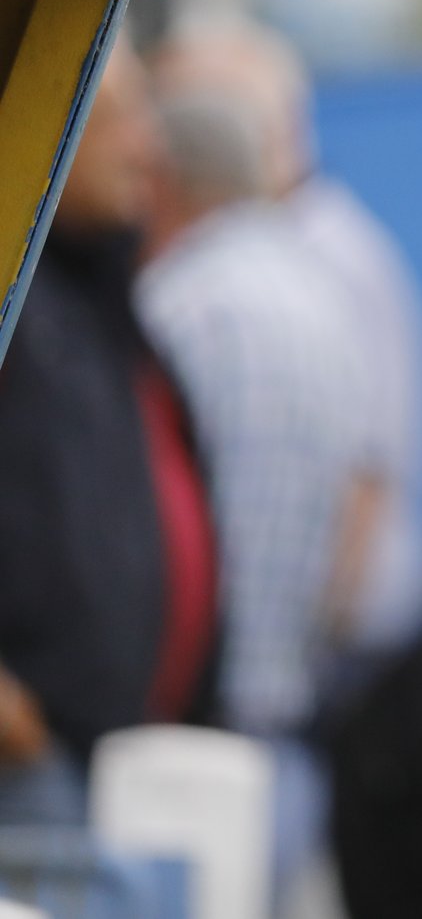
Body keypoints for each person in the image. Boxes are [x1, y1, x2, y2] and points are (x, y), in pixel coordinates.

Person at [137, 68, 378, 897]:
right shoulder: (329, 303)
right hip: (287, 744)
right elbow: (362, 511)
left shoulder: (179, 302)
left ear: (167, 179)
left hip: (177, 751)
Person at [0, 40, 220, 825]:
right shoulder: (15, 297)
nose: (149, 146)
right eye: (120, 110)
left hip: (122, 773)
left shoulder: (100, 297)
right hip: (28, 775)